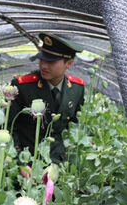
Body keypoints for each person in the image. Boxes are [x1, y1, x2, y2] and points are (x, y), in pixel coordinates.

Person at [8, 32, 85, 173]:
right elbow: (8, 127)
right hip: (28, 164)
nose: (43, 65)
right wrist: (19, 161)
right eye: (42, 59)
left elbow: (76, 126)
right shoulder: (23, 86)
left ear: (69, 63)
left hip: (59, 165)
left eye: (51, 61)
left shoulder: (77, 88)